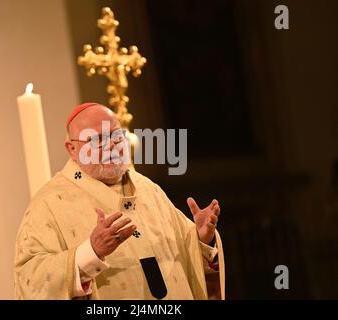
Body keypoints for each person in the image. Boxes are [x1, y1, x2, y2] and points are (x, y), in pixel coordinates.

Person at [14, 102, 225, 299]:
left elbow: (190, 265)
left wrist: (201, 238)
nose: (110, 146)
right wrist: (90, 252)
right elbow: (28, 278)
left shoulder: (148, 189)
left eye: (116, 136)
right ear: (72, 149)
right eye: (97, 140)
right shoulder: (49, 203)